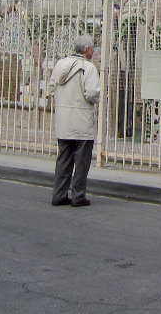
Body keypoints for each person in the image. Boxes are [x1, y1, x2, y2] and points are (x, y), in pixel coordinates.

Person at [49, 35, 101, 207]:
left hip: (64, 120)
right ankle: (78, 195)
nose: (94, 50)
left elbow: (51, 88)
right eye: (92, 47)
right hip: (82, 120)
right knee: (81, 162)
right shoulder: (89, 68)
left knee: (63, 159)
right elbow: (92, 93)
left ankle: (59, 194)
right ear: (87, 50)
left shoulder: (60, 64)